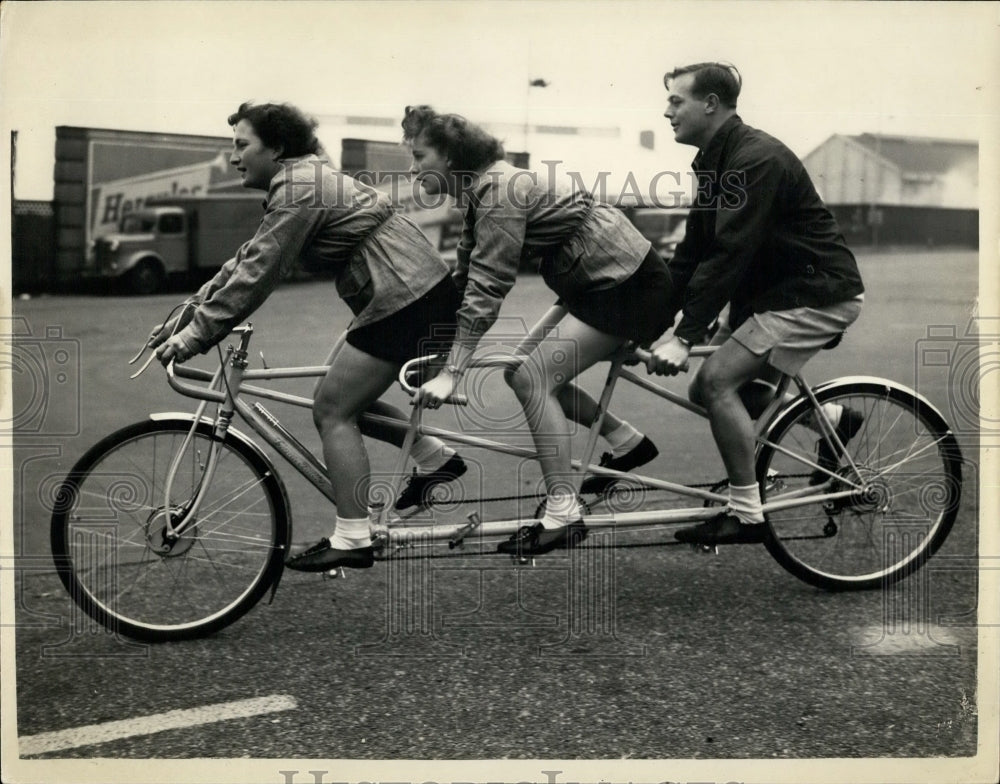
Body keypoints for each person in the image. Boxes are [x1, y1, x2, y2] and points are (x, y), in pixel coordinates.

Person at [149, 101, 467, 572]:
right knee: (344, 399)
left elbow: (260, 271)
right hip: (409, 297)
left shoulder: (301, 186)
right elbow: (247, 257)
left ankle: (353, 537)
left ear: (276, 147)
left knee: (332, 410)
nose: (233, 157)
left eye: (242, 146)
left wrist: (197, 335)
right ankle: (435, 458)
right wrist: (186, 318)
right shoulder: (298, 181)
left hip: (408, 300)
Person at [401, 105, 674, 557]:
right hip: (597, 284)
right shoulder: (479, 191)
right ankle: (627, 442)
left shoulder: (499, 189)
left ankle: (564, 512)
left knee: (534, 378)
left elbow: (489, 286)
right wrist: (431, 342)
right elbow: (465, 277)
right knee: (517, 371)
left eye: (419, 155)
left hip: (626, 285)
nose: (412, 168)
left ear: (449, 156)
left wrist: (453, 370)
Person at [646, 63, 865, 546]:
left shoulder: (754, 158)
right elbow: (694, 252)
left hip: (813, 293)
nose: (666, 112)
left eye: (675, 102)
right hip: (771, 297)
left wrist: (685, 336)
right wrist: (652, 319)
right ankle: (834, 420)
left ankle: (747, 515)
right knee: (707, 393)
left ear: (710, 104)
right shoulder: (712, 159)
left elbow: (731, 251)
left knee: (717, 382)